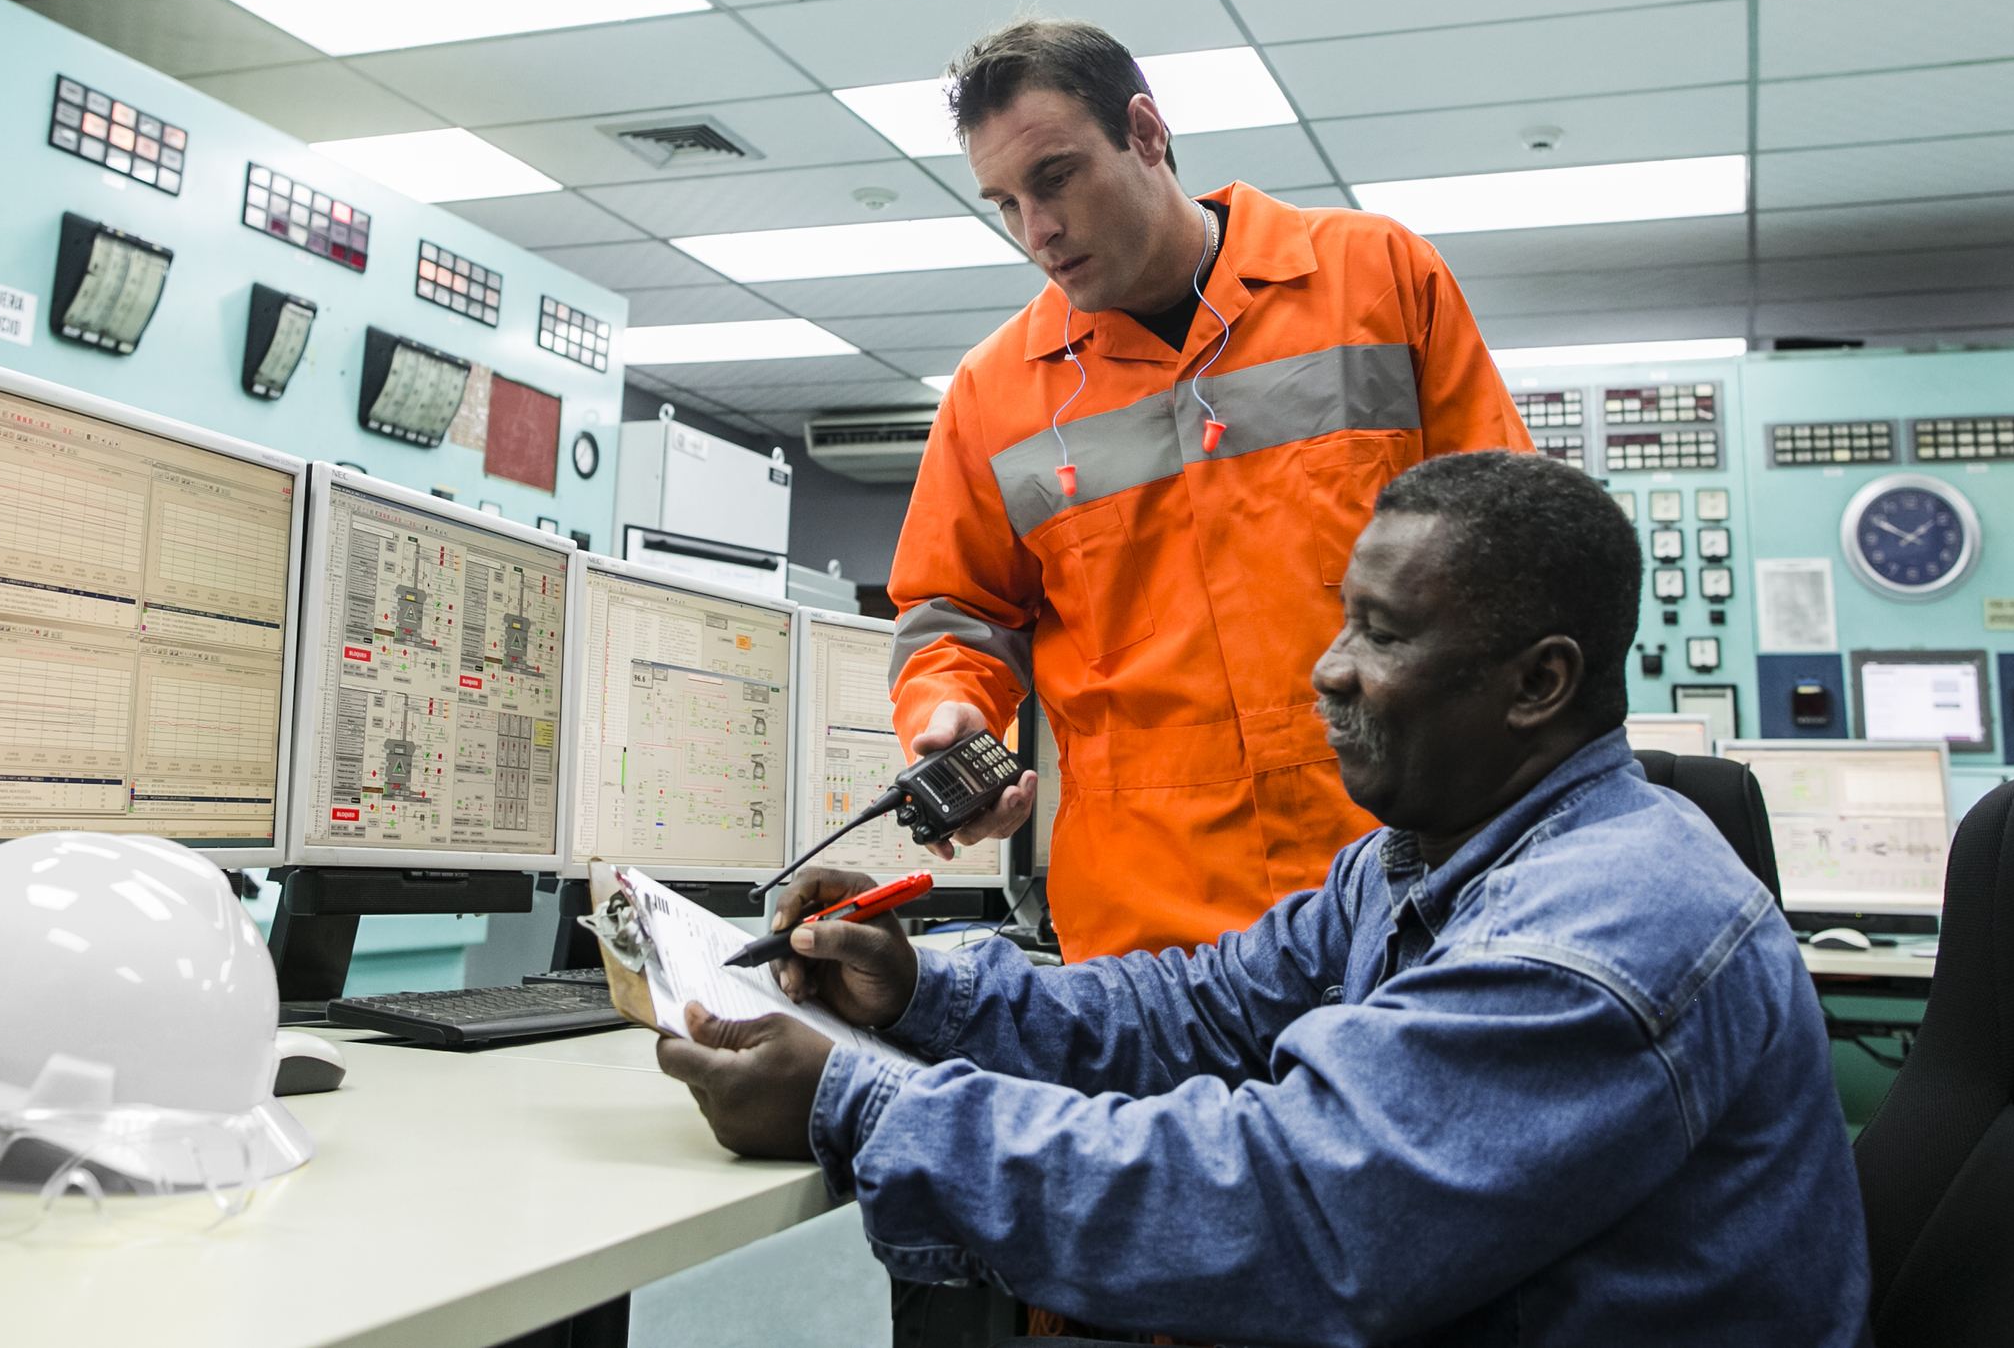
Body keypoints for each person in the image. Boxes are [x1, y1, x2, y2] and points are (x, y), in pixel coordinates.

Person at [658, 451, 1872, 1346]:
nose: (1329, 667)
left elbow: (1299, 1206)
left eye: (1382, 635)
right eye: (1344, 619)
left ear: (1537, 683)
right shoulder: (1421, 857)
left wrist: (866, 1106)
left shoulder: (1597, 931)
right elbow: (1195, 1007)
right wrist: (921, 987)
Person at [889, 16, 1532, 961]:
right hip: (1150, 946)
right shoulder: (995, 394)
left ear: (1146, 133)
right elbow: (952, 615)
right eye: (1005, 202)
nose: (1039, 231)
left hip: (1412, 889)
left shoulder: (1377, 279)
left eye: (1056, 176)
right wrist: (948, 713)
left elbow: (1517, 551)